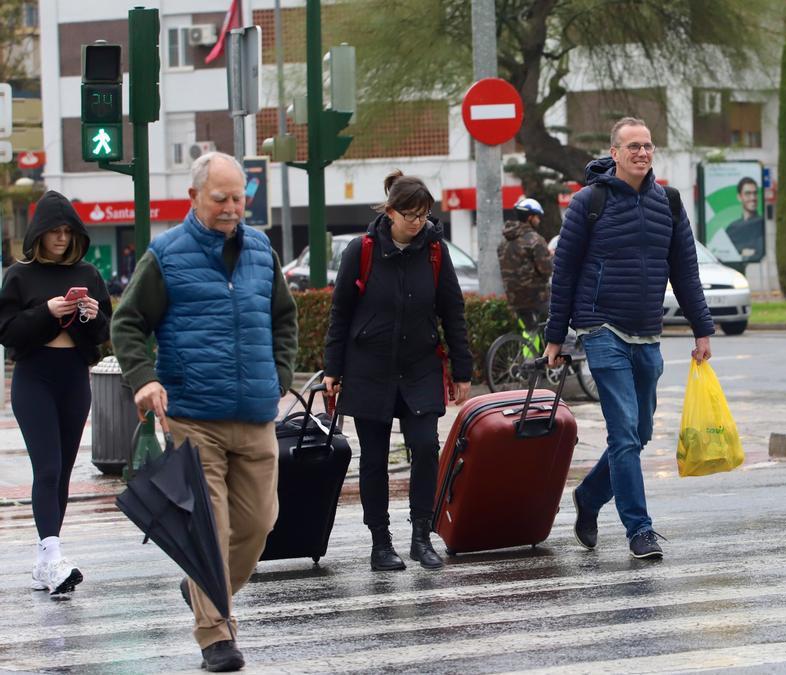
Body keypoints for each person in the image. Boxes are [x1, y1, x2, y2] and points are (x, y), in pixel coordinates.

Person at [112, 152, 298, 673]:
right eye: (221, 198)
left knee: (260, 524)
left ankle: (199, 586)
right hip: (194, 417)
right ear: (195, 196)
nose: (232, 208)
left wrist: (280, 375)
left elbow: (284, 319)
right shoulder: (166, 255)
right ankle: (216, 635)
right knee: (210, 531)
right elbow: (127, 323)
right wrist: (144, 379)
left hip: (257, 413)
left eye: (239, 198)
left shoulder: (261, 250)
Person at [545, 117, 714, 560]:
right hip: (600, 327)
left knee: (638, 433)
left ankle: (589, 497)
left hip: (647, 331)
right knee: (623, 433)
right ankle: (639, 529)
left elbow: (686, 272)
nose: (642, 153)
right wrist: (555, 335)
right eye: (633, 146)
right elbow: (563, 271)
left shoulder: (669, 203)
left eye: (648, 146)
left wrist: (702, 329)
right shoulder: (589, 202)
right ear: (614, 153)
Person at [323, 170, 472, 573]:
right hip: (369, 368)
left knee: (425, 448)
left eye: (422, 214)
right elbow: (341, 312)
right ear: (389, 211)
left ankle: (421, 536)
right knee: (374, 459)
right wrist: (332, 368)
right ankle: (380, 542)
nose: (416, 221)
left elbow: (453, 312)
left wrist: (462, 371)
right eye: (408, 213)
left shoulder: (436, 253)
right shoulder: (362, 249)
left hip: (421, 367)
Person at [0, 190, 111, 596]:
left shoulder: (89, 275)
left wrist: (91, 316)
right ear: (39, 234)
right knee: (46, 469)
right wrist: (46, 312)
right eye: (54, 232)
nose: (61, 238)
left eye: (68, 231)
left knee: (62, 472)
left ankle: (46, 561)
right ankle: (51, 556)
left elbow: (101, 335)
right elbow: (7, 332)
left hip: (74, 378)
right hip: (34, 377)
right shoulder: (19, 275)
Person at [498, 196, 553, 333]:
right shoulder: (535, 240)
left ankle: (530, 353)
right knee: (553, 325)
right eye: (537, 217)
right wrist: (550, 257)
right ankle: (548, 353)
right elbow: (546, 270)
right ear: (530, 218)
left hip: (513, 297)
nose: (539, 220)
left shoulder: (504, 242)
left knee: (529, 332)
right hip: (535, 297)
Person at [723, 176, 766, 262]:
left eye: (755, 193)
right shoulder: (732, 228)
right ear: (739, 197)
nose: (753, 198)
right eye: (748, 193)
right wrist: (742, 251)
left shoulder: (762, 223)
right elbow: (726, 253)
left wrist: (739, 251)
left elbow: (760, 252)